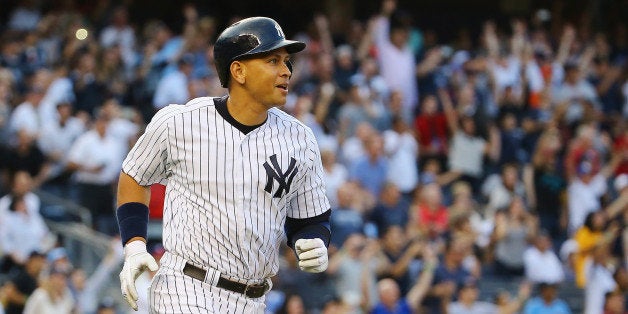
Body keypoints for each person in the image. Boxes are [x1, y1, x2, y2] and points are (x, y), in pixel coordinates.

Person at [116, 17, 331, 313]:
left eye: (286, 61)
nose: (286, 71)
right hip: (187, 287)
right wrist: (135, 246)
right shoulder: (180, 122)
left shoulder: (300, 138)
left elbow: (310, 219)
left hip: (254, 299)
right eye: (273, 60)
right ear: (238, 70)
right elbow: (134, 177)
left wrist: (315, 240)